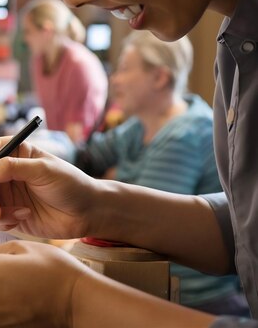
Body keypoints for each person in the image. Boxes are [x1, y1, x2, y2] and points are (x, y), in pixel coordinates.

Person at [0, 0, 258, 326]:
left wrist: (72, 299)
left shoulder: (191, 122)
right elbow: (245, 230)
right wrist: (95, 205)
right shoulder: (236, 48)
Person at [75, 30, 247, 315]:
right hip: (153, 287)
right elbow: (86, 157)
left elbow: (135, 225)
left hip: (192, 301)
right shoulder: (141, 125)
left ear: (160, 77)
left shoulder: (185, 133)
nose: (114, 79)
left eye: (125, 69)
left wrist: (110, 179)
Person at [22, 0, 107, 144]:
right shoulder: (38, 61)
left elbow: (76, 137)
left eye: (28, 31)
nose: (25, 39)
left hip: (82, 153)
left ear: (46, 31)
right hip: (59, 145)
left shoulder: (79, 66)